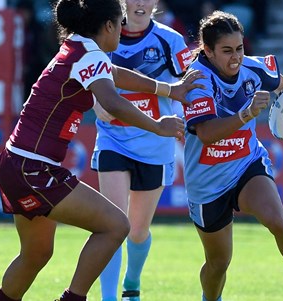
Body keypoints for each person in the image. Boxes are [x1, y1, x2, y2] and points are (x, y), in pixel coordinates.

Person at [0, 0, 202, 300]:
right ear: (107, 26)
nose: (123, 29)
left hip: (16, 162)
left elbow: (115, 73)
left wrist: (170, 90)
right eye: (120, 23)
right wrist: (158, 125)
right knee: (116, 226)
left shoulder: (79, 47)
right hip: (34, 168)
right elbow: (113, 101)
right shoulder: (89, 54)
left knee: (36, 255)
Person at [182, 10, 283, 301]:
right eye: (226, 51)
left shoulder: (254, 69)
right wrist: (247, 113)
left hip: (246, 164)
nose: (235, 58)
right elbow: (205, 134)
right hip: (206, 181)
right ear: (207, 50)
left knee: (277, 220)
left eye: (240, 49)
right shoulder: (196, 81)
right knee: (218, 263)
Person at [89, 0, 193, 300]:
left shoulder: (170, 40)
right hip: (113, 139)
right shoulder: (103, 35)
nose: (140, 3)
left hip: (155, 146)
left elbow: (194, 82)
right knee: (112, 225)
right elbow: (83, 76)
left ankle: (131, 283)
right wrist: (94, 101)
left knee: (136, 231)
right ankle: (109, 298)